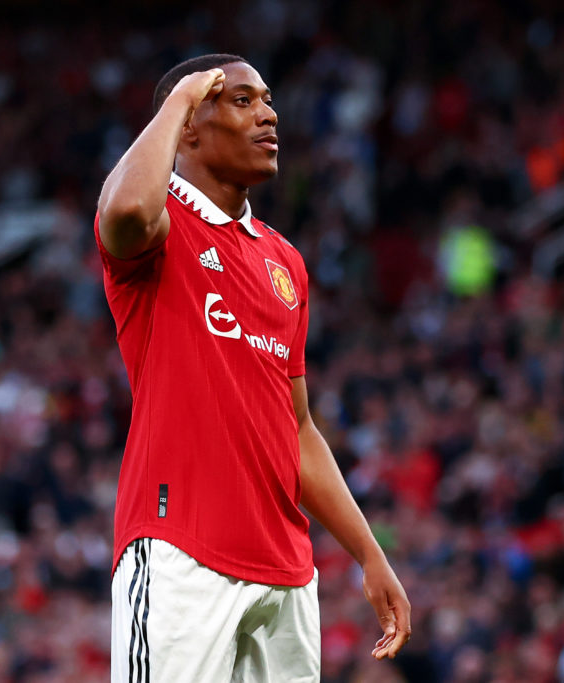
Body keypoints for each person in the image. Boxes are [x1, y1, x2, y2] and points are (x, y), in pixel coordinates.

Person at [95, 53, 411, 682]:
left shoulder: (284, 262)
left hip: (286, 574)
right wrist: (181, 94)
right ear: (188, 123)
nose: (268, 116)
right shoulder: (160, 224)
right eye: (242, 101)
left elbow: (297, 430)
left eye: (268, 101)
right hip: (180, 549)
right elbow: (125, 212)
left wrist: (369, 555)